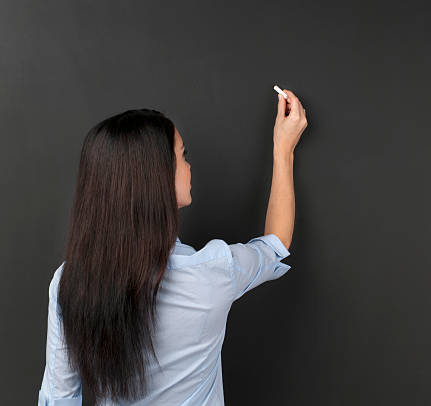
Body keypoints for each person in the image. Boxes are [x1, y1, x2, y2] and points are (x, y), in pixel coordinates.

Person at [37, 89, 308, 405]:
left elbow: (59, 399)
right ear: (159, 177)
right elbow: (275, 245)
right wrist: (283, 149)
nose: (189, 166)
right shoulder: (212, 272)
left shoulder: (70, 283)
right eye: (183, 155)